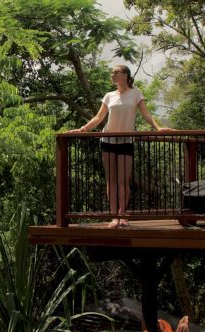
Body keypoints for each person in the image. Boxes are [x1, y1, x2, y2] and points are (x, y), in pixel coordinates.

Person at [68, 65, 170, 228]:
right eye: (112, 72)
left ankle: (123, 214)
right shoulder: (109, 96)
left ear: (125, 75)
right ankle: (114, 216)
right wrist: (82, 129)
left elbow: (146, 114)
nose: (112, 74)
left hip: (126, 141)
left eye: (116, 72)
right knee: (111, 180)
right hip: (107, 140)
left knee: (123, 181)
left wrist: (158, 127)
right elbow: (98, 117)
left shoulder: (136, 93)